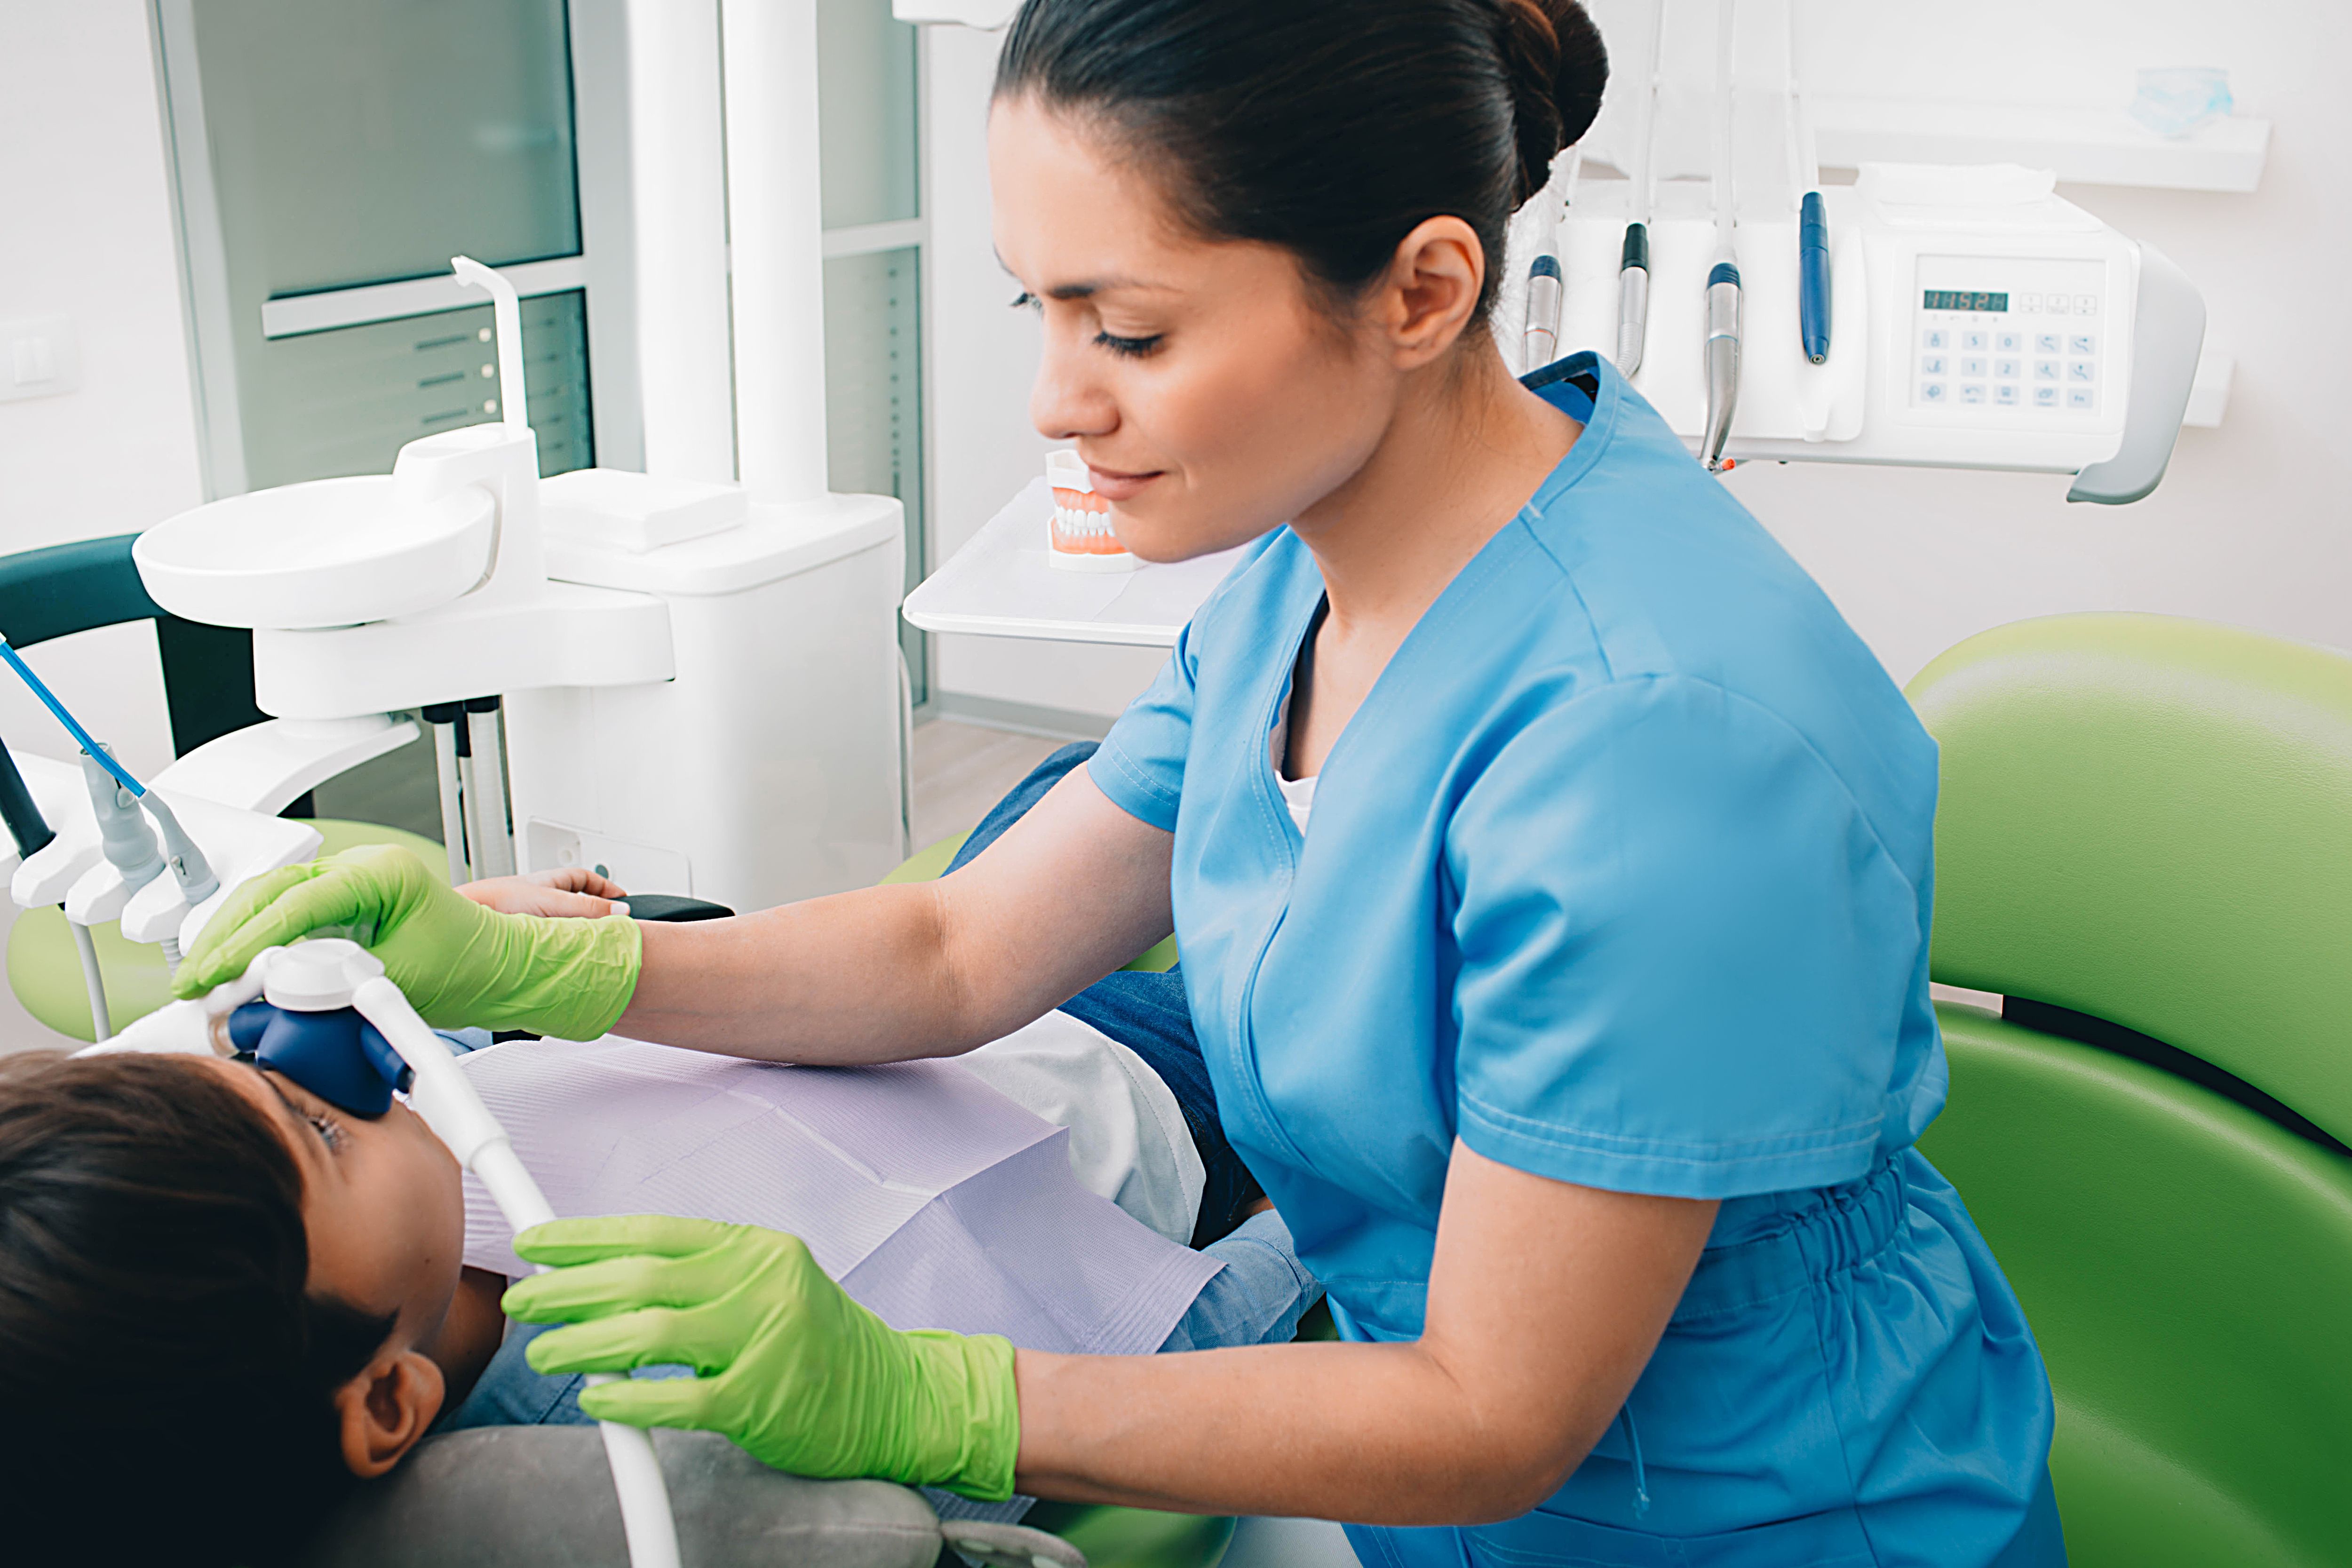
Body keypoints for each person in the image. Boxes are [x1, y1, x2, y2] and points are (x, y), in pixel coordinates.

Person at [175, 0, 2064, 1562]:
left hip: (1730, 1513)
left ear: (1417, 291)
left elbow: (1493, 1416)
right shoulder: (1310, 579)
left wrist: (928, 1393)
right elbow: (953, 952)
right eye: (1038, 311)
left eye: (1130, 329)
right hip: (1413, 1441)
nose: (1057, 401)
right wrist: (557, 977)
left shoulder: (1655, 756)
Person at [0, 898, 1313, 1568]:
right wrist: (1311, 1221)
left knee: (1106, 783)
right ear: (388, 1404)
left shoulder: (403, 1192)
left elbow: (447, 1012)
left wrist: (501, 933)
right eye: (315, 1125)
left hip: (904, 995)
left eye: (245, 1051)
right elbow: (1138, 1369)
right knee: (1311, 864)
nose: (335, 1070)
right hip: (1132, 1089)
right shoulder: (682, 1418)